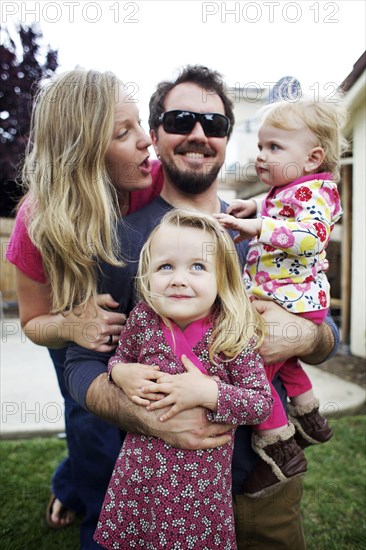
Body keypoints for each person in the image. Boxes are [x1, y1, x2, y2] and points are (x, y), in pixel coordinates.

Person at [65, 65, 339, 549]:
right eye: (180, 121)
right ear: (156, 134)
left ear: (228, 137)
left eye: (213, 125)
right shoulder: (120, 240)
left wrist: (302, 336)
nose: (198, 135)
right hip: (160, 487)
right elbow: (80, 360)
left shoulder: (265, 228)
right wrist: (141, 412)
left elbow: (324, 333)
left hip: (263, 484)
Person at [6, 68, 162, 548]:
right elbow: (32, 323)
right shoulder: (37, 221)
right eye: (125, 132)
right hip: (70, 334)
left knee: (137, 414)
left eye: (140, 124)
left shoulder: (151, 181)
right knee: (90, 420)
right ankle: (99, 523)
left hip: (139, 327)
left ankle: (67, 483)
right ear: (84, 152)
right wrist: (72, 323)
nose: (147, 141)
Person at [93, 208, 273, 548]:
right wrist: (119, 371)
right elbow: (120, 356)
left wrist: (209, 392)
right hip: (140, 480)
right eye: (165, 266)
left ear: (222, 278)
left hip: (199, 491)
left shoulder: (232, 333)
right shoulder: (144, 318)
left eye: (197, 267)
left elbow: (261, 404)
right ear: (147, 275)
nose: (178, 279)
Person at [215, 97, 346, 496]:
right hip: (289, 300)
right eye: (260, 147)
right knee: (284, 361)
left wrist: (256, 226)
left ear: (312, 158)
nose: (261, 156)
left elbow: (310, 235)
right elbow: (283, 209)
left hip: (296, 303)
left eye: (274, 147)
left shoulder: (316, 194)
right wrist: (252, 205)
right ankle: (310, 417)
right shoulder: (295, 191)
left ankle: (280, 448)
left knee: (254, 373)